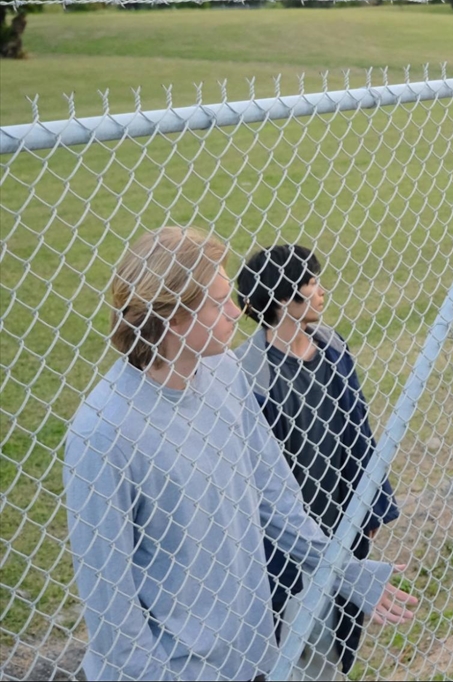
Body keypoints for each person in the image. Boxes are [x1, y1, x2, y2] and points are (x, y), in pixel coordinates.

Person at [63, 227, 418, 681]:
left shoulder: (226, 375)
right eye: (218, 302)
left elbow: (278, 501)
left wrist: (347, 572)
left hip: (258, 661)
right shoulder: (104, 432)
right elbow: (111, 603)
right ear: (171, 318)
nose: (237, 312)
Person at [234, 244, 402, 678]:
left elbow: (358, 427)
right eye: (312, 284)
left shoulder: (331, 346)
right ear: (287, 299)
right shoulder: (249, 373)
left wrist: (372, 503)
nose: (322, 291)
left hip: (341, 515)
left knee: (342, 630)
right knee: (289, 640)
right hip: (285, 533)